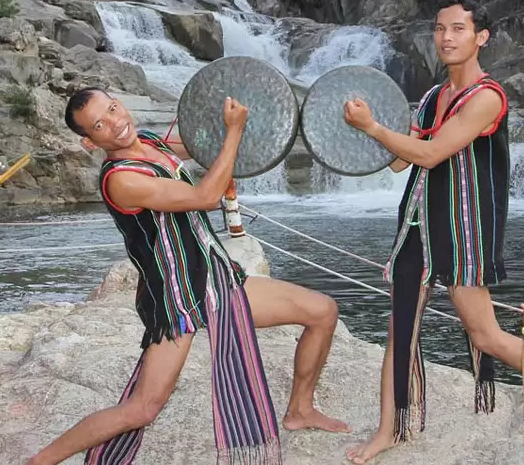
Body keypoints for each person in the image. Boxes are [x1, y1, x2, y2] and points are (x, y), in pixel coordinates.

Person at [25, 88, 349, 465]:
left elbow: (201, 143)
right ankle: (42, 461)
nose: (116, 123)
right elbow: (205, 196)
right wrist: (233, 133)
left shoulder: (148, 141)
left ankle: (300, 409)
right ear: (89, 141)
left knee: (322, 311)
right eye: (101, 124)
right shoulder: (121, 180)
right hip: (176, 297)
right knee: (144, 408)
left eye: (113, 109)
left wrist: (233, 109)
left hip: (216, 278)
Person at [340, 0, 522, 464]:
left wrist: (374, 127)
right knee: (400, 328)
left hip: (464, 228)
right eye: (440, 28)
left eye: (458, 28)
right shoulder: (430, 97)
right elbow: (402, 159)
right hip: (417, 224)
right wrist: (364, 130)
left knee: (485, 336)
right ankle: (389, 429)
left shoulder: (487, 97)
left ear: (481, 36)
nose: (446, 37)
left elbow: (430, 155)